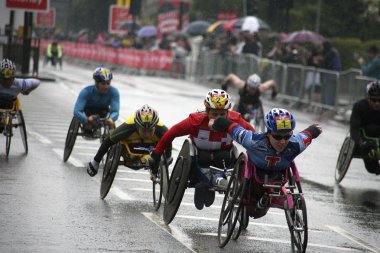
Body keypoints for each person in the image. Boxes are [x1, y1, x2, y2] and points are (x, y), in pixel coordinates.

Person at [144, 89, 255, 210]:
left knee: (234, 160)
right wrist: (156, 154)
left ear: (227, 112)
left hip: (224, 159)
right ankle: (203, 183)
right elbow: (171, 133)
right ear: (207, 112)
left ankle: (216, 182)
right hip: (198, 159)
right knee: (202, 181)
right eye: (214, 114)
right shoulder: (195, 121)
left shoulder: (236, 120)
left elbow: (253, 136)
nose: (218, 118)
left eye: (222, 115)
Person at [209, 108, 322, 218]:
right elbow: (234, 128)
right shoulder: (253, 141)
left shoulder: (296, 144)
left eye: (287, 136)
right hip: (252, 180)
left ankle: (279, 202)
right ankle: (257, 200)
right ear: (268, 133)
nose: (282, 142)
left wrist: (315, 129)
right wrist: (218, 122)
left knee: (262, 210)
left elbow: (307, 134)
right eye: (277, 136)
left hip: (277, 180)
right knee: (252, 206)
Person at [87, 104, 172, 177]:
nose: (147, 134)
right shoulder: (129, 126)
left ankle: (150, 164)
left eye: (150, 131)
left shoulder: (162, 130)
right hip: (128, 148)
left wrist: (167, 158)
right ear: (137, 126)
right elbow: (108, 140)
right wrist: (95, 162)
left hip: (150, 148)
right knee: (114, 137)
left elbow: (169, 141)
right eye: (144, 130)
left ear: (155, 127)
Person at [73, 67, 119, 137]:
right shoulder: (86, 91)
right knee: (88, 126)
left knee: (111, 124)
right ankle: (88, 127)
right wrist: (86, 120)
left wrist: (111, 119)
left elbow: (115, 111)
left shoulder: (114, 92)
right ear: (96, 83)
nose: (106, 86)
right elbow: (77, 111)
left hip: (103, 112)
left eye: (108, 83)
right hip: (88, 112)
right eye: (103, 84)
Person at [0, 58, 40, 132]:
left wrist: (27, 91)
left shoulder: (19, 83)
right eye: (4, 79)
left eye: (9, 79)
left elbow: (37, 82)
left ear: (13, 77)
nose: (7, 82)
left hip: (11, 104)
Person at [349, 81, 380, 175]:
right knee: (372, 169)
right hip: (365, 138)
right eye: (374, 100)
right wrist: (361, 142)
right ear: (368, 98)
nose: (377, 104)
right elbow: (353, 129)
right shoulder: (359, 106)